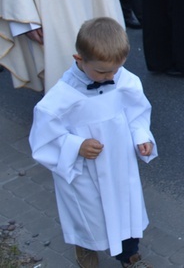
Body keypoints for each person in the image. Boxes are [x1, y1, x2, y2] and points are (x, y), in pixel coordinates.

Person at [29, 17, 157, 268]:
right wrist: (75, 145)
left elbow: (137, 112)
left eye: (115, 70)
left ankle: (129, 255)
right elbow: (43, 138)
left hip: (119, 163)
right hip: (84, 171)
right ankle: (85, 247)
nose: (110, 76)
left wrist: (141, 136)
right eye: (101, 71)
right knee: (89, 215)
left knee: (126, 208)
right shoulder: (61, 96)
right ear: (79, 59)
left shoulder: (123, 80)